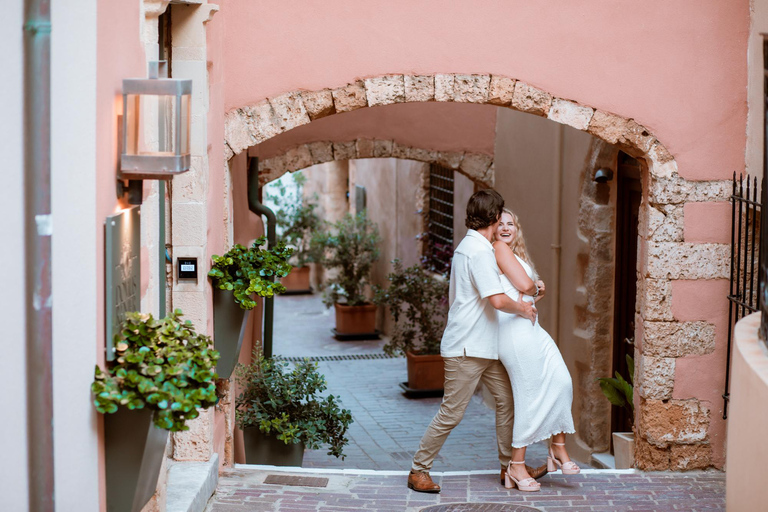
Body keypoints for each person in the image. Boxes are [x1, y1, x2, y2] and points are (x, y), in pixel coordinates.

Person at [407, 189, 540, 494]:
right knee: (452, 412)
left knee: (507, 401)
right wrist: (523, 308)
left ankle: (509, 467)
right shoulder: (478, 252)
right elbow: (497, 300)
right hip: (467, 348)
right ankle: (418, 470)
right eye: (500, 215)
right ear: (494, 217)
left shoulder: (473, 247)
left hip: (483, 346)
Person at [493, 208, 579, 492]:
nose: (506, 228)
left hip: (531, 327)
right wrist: (533, 287)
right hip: (512, 332)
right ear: (493, 229)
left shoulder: (515, 254)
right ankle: (516, 465)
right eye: (500, 224)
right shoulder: (498, 249)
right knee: (528, 396)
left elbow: (528, 292)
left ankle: (557, 447)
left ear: (517, 229)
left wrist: (534, 291)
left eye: (511, 224)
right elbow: (524, 285)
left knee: (561, 381)